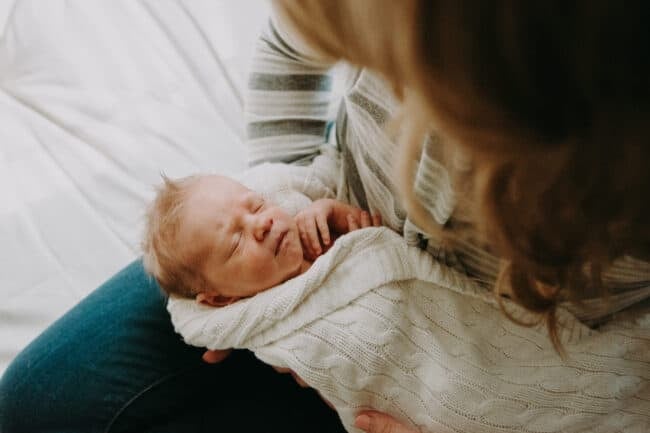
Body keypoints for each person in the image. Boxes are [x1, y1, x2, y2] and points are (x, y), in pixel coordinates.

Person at [1, 1, 649, 432]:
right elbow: (291, 53)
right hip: (316, 252)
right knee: (32, 409)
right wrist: (285, 233)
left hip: (493, 359)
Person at [141, 172, 380, 305]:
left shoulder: (317, 230)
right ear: (221, 297)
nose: (261, 224)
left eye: (257, 206)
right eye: (236, 243)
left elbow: (377, 233)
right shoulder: (270, 322)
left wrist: (335, 210)